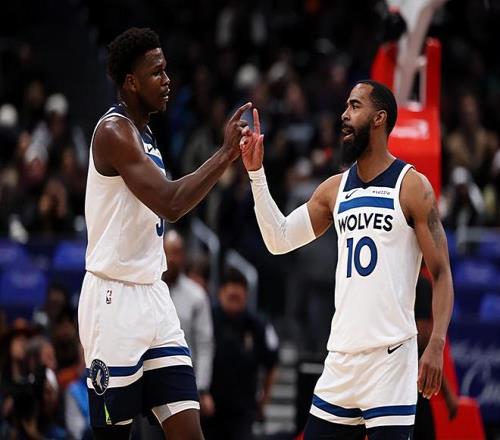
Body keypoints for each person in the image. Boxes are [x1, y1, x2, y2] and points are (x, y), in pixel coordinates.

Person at [240, 79, 454, 439]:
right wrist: (256, 174)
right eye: (346, 106)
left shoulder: (412, 186)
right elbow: (278, 240)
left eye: (355, 106)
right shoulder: (334, 189)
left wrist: (436, 344)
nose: (344, 114)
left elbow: (442, 273)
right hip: (341, 359)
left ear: (379, 118)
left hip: (390, 358)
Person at [78, 27, 251, 440]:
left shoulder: (147, 136)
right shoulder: (114, 132)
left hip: (154, 296)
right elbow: (171, 203)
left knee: (189, 430)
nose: (167, 80)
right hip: (113, 298)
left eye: (166, 70)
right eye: (156, 72)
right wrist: (225, 154)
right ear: (130, 82)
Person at [205, 267, 279, 440]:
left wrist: (263, 400)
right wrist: (201, 394)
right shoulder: (207, 319)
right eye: (231, 297)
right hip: (210, 406)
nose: (234, 301)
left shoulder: (257, 325)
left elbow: (272, 364)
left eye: (238, 297)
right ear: (220, 293)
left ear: (246, 295)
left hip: (243, 411)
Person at [163, 230, 215, 418]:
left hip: (184, 382)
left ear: (183, 256)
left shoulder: (197, 296)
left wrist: (202, 387)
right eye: (167, 252)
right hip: (150, 381)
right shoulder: (148, 290)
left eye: (176, 253)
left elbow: (204, 344)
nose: (171, 259)